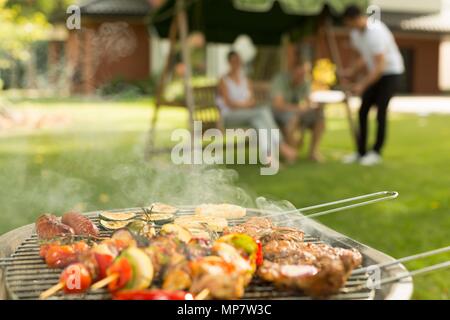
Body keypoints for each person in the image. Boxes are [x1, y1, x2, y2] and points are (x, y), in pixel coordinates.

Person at [341, 5, 404, 166]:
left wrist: (362, 85)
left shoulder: (376, 32)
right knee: (363, 111)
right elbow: (364, 58)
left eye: (349, 23)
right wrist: (351, 72)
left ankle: (376, 152)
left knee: (380, 112)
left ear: (355, 19)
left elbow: (380, 65)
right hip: (375, 73)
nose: (348, 27)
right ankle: (361, 151)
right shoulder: (356, 34)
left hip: (390, 73)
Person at [216, 51, 298, 164]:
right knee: (263, 112)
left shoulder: (245, 80)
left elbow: (252, 100)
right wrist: (245, 105)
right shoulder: (223, 80)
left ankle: (270, 159)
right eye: (234, 61)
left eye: (238, 61)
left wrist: (246, 105)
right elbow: (229, 103)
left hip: (247, 115)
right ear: (229, 62)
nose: (237, 63)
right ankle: (281, 145)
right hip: (229, 116)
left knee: (259, 123)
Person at [271, 58, 325, 162]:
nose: (302, 77)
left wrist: (313, 107)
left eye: (304, 74)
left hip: (296, 113)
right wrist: (298, 109)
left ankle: (313, 152)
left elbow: (308, 102)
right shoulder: (281, 80)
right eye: (300, 73)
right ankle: (291, 151)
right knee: (293, 119)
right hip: (278, 113)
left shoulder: (305, 81)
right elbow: (278, 105)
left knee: (319, 116)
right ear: (293, 71)